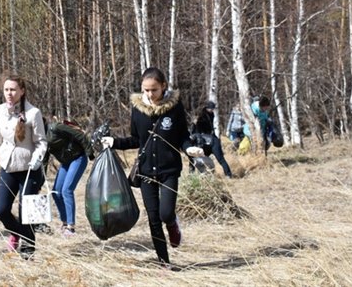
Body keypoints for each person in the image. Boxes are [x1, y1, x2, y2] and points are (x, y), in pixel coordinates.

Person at [101, 67, 192, 268]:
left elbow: (183, 136)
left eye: (154, 90)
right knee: (153, 219)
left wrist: (189, 148)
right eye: (146, 90)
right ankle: (164, 262)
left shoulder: (174, 107)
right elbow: (136, 139)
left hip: (169, 170)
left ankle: (172, 223)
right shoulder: (138, 109)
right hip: (145, 172)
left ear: (163, 86)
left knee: (165, 213)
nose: (150, 94)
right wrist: (114, 142)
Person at [0, 75, 48, 259]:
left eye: (13, 89)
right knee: (1, 210)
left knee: (27, 213)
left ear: (22, 91)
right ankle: (17, 233)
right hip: (8, 167)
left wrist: (37, 158)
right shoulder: (0, 111)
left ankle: (28, 253)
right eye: (6, 89)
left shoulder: (33, 113)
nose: (9, 93)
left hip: (29, 169)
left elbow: (41, 142)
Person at [46, 119, 95, 237]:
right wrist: (41, 178)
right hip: (66, 162)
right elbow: (44, 156)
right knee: (56, 192)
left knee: (66, 190)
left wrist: (90, 153)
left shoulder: (55, 127)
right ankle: (64, 223)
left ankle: (71, 227)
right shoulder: (39, 137)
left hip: (78, 158)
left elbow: (79, 135)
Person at [188, 101, 232, 178]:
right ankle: (193, 175)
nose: (212, 110)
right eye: (211, 108)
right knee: (195, 158)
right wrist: (196, 125)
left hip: (211, 140)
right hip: (202, 140)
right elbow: (197, 129)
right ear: (207, 108)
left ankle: (228, 175)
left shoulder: (211, 115)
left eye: (213, 109)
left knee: (220, 159)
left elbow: (209, 127)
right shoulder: (202, 117)